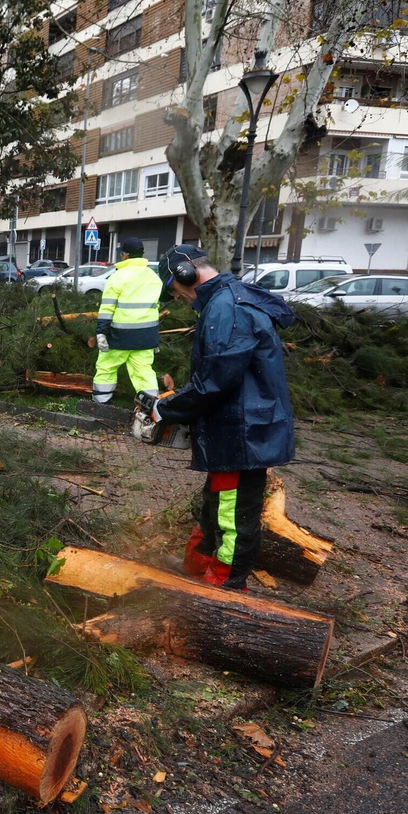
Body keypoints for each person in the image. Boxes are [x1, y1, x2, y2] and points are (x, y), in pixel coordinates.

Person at [141, 245, 296, 591]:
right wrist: (177, 397)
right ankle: (198, 570)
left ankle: (224, 586)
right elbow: (219, 371)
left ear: (185, 274)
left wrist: (165, 409)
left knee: (232, 516)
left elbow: (216, 381)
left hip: (244, 431)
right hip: (238, 426)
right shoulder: (224, 300)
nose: (179, 297)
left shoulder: (227, 307)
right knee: (216, 504)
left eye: (176, 291)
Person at [87, 237, 162, 404]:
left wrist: (101, 333)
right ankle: (152, 409)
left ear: (125, 256)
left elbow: (107, 309)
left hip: (119, 336)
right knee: (144, 372)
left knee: (106, 367)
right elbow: (154, 308)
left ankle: (101, 404)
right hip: (146, 337)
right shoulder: (153, 277)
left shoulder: (117, 277)